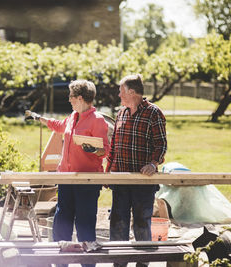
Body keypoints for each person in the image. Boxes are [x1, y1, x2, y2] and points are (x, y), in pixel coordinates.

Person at [26, 80, 110, 267]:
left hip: (87, 181)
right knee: (62, 220)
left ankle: (87, 263)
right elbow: (59, 125)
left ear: (80, 98)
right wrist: (39, 118)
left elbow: (105, 150)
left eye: (71, 96)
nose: (69, 100)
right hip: (66, 177)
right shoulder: (74, 116)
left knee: (84, 224)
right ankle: (60, 262)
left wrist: (93, 149)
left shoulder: (97, 120)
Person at [106, 74, 167, 267]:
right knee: (117, 222)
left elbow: (161, 144)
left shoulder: (153, 113)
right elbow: (114, 146)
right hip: (121, 180)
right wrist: (109, 172)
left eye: (121, 90)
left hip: (143, 181)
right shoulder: (121, 113)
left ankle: (142, 263)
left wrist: (153, 163)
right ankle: (119, 263)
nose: (119, 94)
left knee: (141, 223)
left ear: (132, 92)